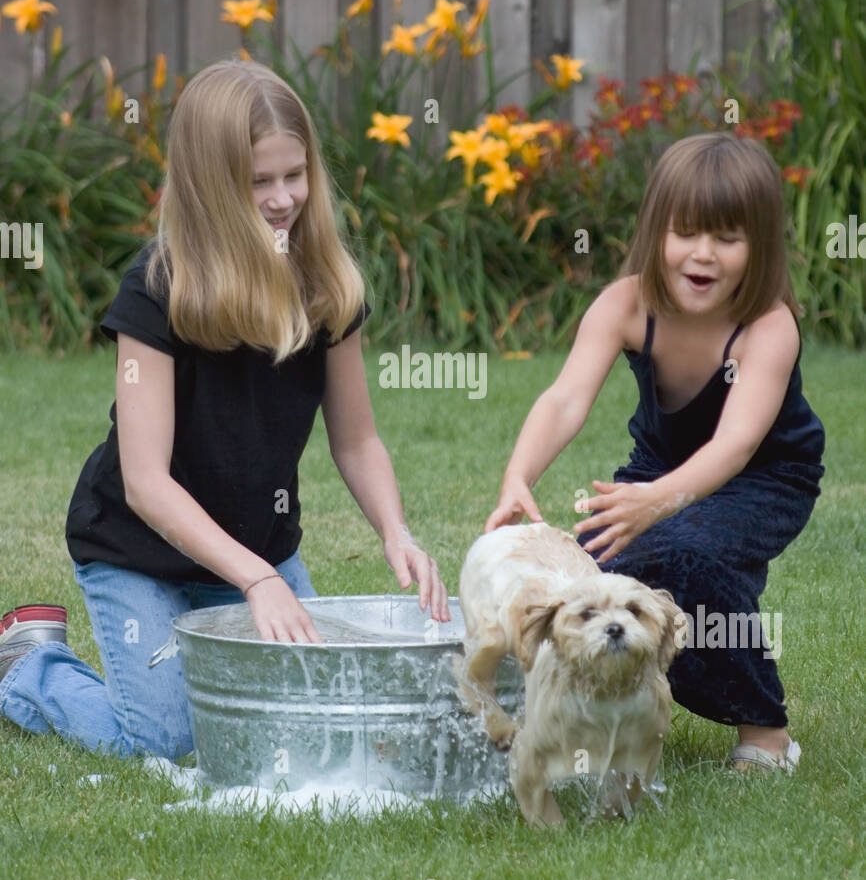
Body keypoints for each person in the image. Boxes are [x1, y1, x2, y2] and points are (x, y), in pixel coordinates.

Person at [0, 58, 449, 760]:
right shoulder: (155, 292)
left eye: (293, 176)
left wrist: (396, 532)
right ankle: (27, 665)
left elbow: (357, 442)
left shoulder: (328, 287)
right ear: (211, 188)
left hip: (256, 548)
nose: (282, 199)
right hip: (137, 553)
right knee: (168, 737)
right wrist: (259, 582)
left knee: (307, 720)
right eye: (257, 183)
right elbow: (147, 484)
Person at [485, 131, 825, 773]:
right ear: (655, 232)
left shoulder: (768, 325)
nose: (703, 253)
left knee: (690, 559)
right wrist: (517, 475)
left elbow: (735, 445)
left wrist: (661, 505)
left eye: (728, 237)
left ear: (761, 246)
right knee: (589, 584)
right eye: (686, 232)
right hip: (657, 473)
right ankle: (591, 714)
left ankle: (767, 733)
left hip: (764, 479)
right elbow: (563, 399)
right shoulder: (625, 304)